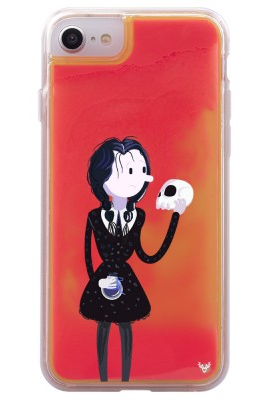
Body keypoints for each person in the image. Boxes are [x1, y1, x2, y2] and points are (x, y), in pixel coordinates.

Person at [79, 137, 186, 381]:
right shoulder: (94, 216)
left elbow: (148, 256)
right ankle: (102, 380)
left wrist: (175, 217)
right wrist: (97, 282)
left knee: (126, 329)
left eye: (140, 171)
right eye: (127, 171)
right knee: (102, 328)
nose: (135, 179)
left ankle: (126, 377)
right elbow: (87, 256)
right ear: (102, 178)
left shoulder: (139, 216)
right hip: (102, 281)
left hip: (127, 282)